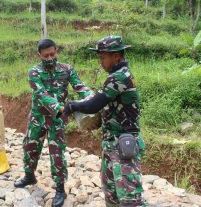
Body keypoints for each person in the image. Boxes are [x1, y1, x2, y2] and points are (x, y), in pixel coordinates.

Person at [64, 36, 146, 207]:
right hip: (111, 143)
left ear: (116, 56)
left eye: (103, 57)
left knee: (130, 198)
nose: (100, 61)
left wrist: (71, 106)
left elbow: (94, 105)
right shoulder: (115, 76)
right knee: (112, 193)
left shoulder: (119, 77)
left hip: (122, 144)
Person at [14, 39, 92, 207]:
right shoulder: (34, 72)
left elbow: (79, 86)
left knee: (57, 154)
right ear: (39, 55)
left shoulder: (67, 69)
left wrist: (92, 98)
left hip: (57, 120)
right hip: (38, 117)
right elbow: (41, 94)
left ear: (56, 50)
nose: (50, 58)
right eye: (46, 55)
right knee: (30, 147)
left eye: (52, 54)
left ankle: (60, 189)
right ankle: (29, 175)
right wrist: (60, 107)